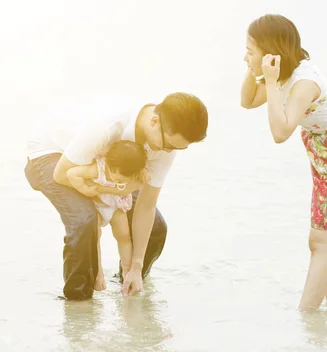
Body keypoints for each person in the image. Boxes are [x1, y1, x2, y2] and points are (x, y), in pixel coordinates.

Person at [240, 14, 327, 310]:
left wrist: (271, 80)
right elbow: (247, 101)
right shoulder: (284, 74)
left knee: (320, 241)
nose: (244, 56)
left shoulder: (302, 83)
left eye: (250, 50)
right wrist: (256, 70)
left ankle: (307, 320)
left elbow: (280, 132)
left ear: (272, 52)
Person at [24, 92, 208, 300]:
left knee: (156, 229)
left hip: (107, 170)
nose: (168, 152)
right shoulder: (106, 128)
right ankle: (79, 304)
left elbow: (146, 206)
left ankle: (128, 285)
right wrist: (110, 191)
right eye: (169, 145)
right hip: (54, 156)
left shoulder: (167, 145)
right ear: (155, 121)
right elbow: (61, 174)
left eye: (177, 148)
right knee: (85, 218)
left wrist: (136, 266)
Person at [67, 140, 150, 291]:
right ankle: (99, 273)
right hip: (97, 205)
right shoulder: (99, 169)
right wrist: (84, 189)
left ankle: (126, 270)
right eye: (114, 174)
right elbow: (71, 173)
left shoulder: (135, 172)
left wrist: (142, 172)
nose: (117, 179)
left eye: (124, 179)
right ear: (108, 164)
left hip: (116, 205)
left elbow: (142, 181)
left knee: (124, 235)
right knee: (95, 235)